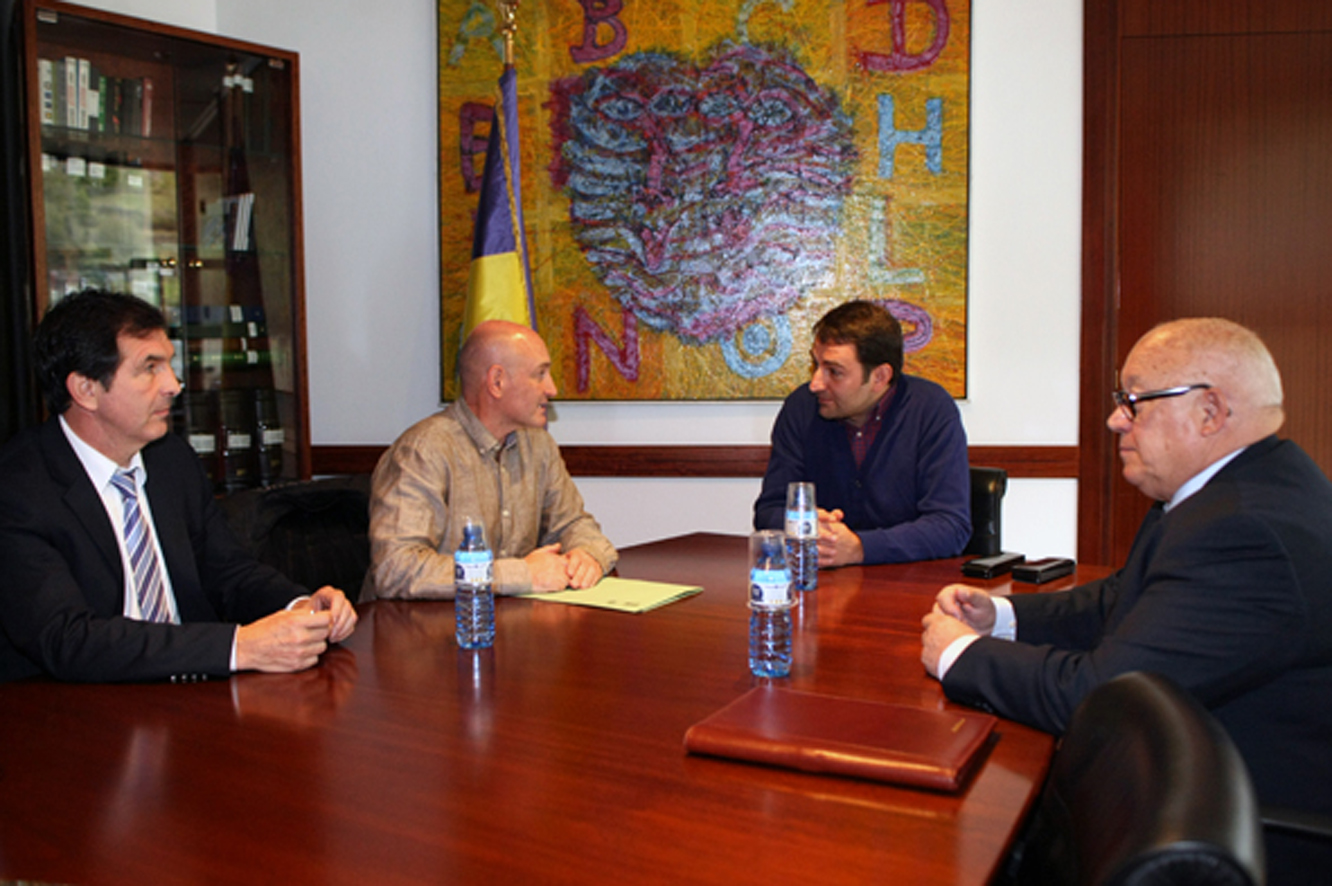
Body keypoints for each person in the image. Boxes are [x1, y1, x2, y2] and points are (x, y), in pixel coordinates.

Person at [921, 318, 1332, 881]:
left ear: (1210, 412)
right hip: (1186, 780)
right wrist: (1004, 617)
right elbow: (1126, 595)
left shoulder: (1246, 531)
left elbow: (1097, 695)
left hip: (1237, 831)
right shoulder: (1238, 491)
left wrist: (959, 654)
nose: (1116, 419)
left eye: (1134, 401)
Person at [0, 289, 357, 683]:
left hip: (193, 699)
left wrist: (303, 606)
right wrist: (239, 647)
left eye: (170, 365)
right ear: (86, 389)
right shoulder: (19, 488)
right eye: (150, 368)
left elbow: (229, 572)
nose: (173, 384)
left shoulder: (171, 460)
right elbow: (68, 639)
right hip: (74, 715)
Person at [362, 319, 616, 600]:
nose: (552, 389)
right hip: (417, 633)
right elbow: (396, 569)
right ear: (497, 382)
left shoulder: (538, 445)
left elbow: (574, 525)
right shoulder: (422, 451)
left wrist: (586, 555)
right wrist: (521, 575)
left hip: (505, 625)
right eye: (540, 374)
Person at [753, 300, 971, 566]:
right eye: (815, 364)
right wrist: (807, 523)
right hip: (822, 588)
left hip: (907, 588)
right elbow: (769, 510)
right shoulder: (801, 408)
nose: (816, 383)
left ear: (880, 377)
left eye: (834, 372)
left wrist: (860, 548)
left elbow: (950, 526)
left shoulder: (931, 409)